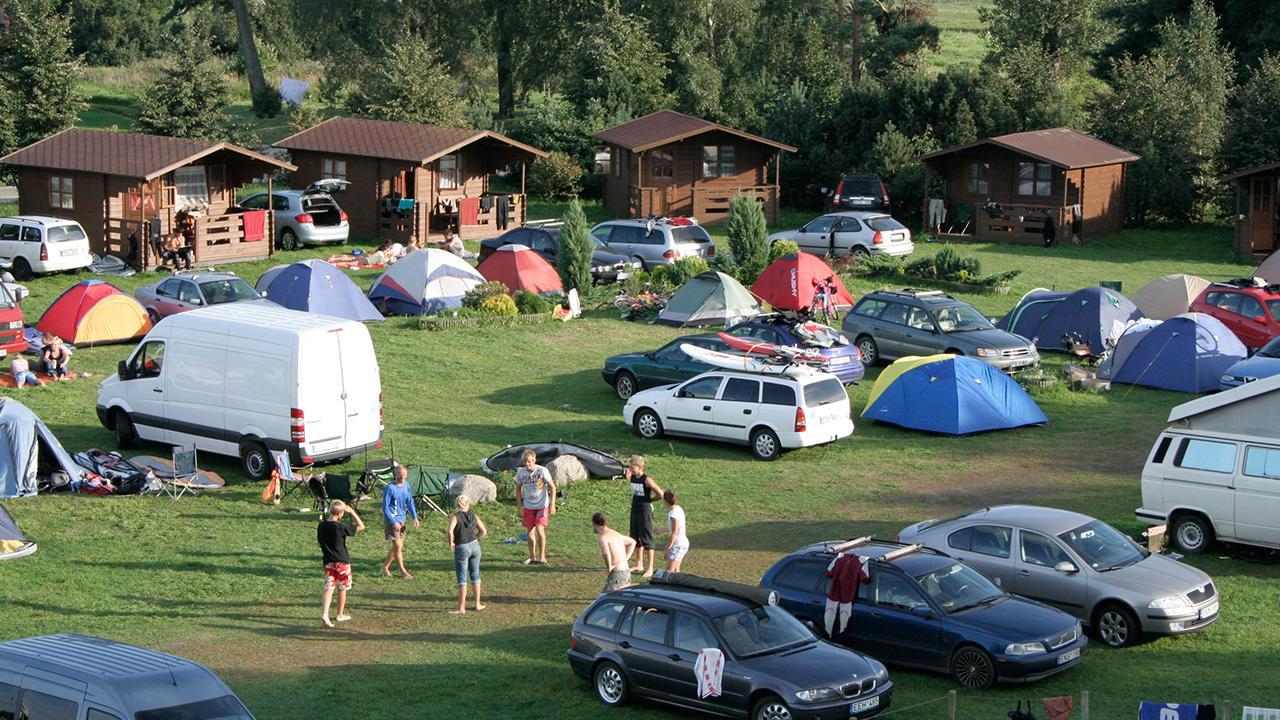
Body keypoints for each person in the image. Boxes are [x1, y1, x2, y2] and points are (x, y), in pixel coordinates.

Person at [318, 500, 365, 628]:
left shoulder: (321, 525)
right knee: (342, 588)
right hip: (342, 562)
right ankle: (340, 614)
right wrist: (353, 512)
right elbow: (361, 527)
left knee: (329, 587)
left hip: (328, 561)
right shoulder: (341, 526)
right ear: (340, 514)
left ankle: (325, 614)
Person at [514, 449, 556, 565]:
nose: (527, 464)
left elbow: (552, 487)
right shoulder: (521, 473)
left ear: (534, 460)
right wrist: (520, 506)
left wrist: (552, 505)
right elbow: (518, 488)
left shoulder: (542, 471)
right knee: (530, 531)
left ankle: (542, 556)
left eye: (530, 462)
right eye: (525, 462)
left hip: (542, 505)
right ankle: (532, 556)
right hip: (528, 505)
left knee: (539, 529)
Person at [447, 495, 487, 614]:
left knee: (462, 578)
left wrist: (451, 543)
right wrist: (476, 539)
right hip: (475, 546)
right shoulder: (474, 515)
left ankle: (461, 608)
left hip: (462, 547)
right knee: (475, 575)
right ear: (468, 504)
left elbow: (450, 531)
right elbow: (483, 531)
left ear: (457, 504)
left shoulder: (455, 516)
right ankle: (477, 604)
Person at [625, 455, 663, 578]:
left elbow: (661, 494)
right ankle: (639, 564)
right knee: (635, 537)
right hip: (634, 509)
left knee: (647, 538)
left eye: (633, 467)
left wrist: (650, 500)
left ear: (640, 467)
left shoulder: (647, 480)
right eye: (630, 466)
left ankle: (650, 568)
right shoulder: (632, 477)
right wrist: (628, 477)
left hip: (644, 511)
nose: (630, 468)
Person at [380, 464, 420, 579]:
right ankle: (403, 572)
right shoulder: (390, 488)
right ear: (395, 474)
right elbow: (385, 507)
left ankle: (384, 567)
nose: (402, 477)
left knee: (398, 547)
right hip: (393, 520)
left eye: (404, 475)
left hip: (402, 520)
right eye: (400, 474)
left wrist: (414, 517)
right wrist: (393, 522)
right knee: (397, 546)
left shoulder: (406, 485)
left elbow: (410, 501)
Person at [593, 512, 636, 593]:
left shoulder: (603, 537)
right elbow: (632, 542)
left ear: (594, 524)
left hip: (618, 573)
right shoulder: (614, 533)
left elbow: (606, 553)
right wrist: (624, 559)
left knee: (607, 598)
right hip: (626, 571)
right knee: (622, 598)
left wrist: (609, 567)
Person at [662, 490, 688, 573]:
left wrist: (667, 549)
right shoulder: (678, 508)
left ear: (665, 501)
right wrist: (661, 530)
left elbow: (674, 533)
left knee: (668, 573)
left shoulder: (673, 514)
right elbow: (675, 528)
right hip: (680, 544)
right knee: (676, 572)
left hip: (678, 546)